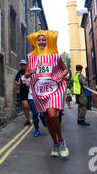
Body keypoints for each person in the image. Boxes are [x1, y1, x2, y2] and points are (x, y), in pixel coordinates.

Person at [25, 30, 69, 158]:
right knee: (47, 118)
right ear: (36, 41)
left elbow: (65, 69)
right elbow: (26, 74)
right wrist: (31, 72)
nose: (41, 42)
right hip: (40, 91)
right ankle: (55, 143)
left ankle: (61, 141)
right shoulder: (31, 57)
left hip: (54, 89)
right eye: (39, 40)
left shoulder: (55, 55)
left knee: (52, 114)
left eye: (44, 39)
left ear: (48, 41)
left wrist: (62, 75)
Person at [15, 60, 31, 126]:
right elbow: (15, 80)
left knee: (31, 106)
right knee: (25, 106)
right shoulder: (19, 72)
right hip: (23, 91)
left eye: (24, 64)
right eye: (21, 65)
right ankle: (28, 120)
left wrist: (30, 83)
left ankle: (37, 116)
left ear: (26, 65)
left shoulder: (29, 71)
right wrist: (18, 83)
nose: (23, 66)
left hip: (30, 90)